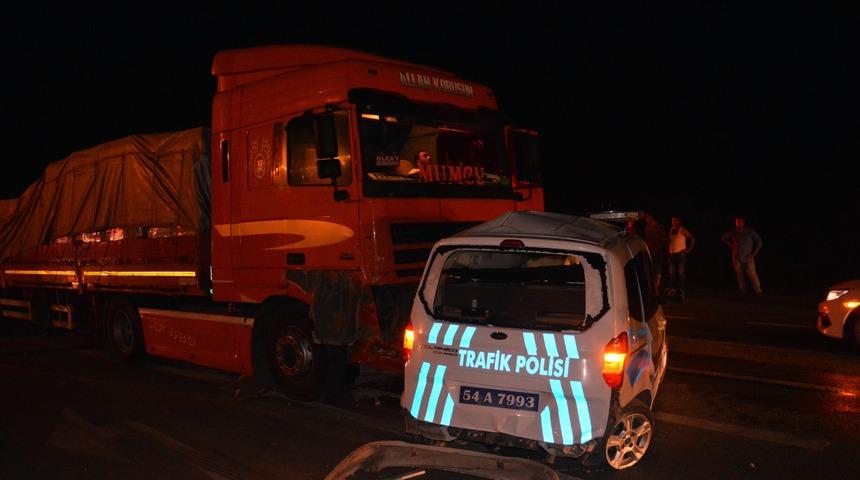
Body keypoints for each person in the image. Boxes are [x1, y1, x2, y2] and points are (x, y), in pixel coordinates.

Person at [721, 216, 763, 296]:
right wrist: (731, 245)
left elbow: (759, 241)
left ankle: (758, 290)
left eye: (740, 222)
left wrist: (754, 253)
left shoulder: (749, 231)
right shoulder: (734, 232)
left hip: (748, 256)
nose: (738, 224)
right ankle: (743, 290)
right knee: (739, 274)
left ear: (743, 223)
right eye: (737, 222)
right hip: (736, 256)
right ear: (735, 223)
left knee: (751, 273)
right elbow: (724, 237)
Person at [667, 216, 695, 292]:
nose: (673, 222)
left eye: (675, 220)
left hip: (681, 255)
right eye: (672, 220)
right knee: (671, 273)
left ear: (679, 221)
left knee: (680, 273)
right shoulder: (670, 230)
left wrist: (688, 250)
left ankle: (681, 290)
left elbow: (692, 239)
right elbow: (670, 242)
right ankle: (672, 290)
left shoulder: (682, 230)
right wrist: (669, 254)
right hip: (672, 254)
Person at [643, 213, 668, 290]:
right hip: (649, 252)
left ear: (651, 217)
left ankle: (656, 286)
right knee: (649, 270)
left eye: (646, 218)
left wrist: (654, 242)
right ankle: (650, 287)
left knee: (658, 269)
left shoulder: (659, 227)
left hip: (657, 251)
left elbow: (664, 239)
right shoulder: (646, 228)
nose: (645, 220)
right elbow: (646, 239)